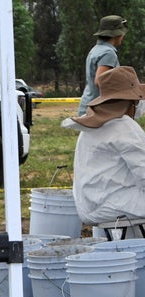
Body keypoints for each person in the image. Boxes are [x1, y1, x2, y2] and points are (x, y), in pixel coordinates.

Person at [62, 66, 145, 225]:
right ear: (131, 101)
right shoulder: (125, 127)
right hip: (113, 204)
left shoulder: (90, 124)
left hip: (89, 204)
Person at [78, 15, 128, 116]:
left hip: (88, 106)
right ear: (117, 35)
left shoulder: (96, 49)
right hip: (98, 111)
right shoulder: (108, 53)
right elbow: (100, 81)